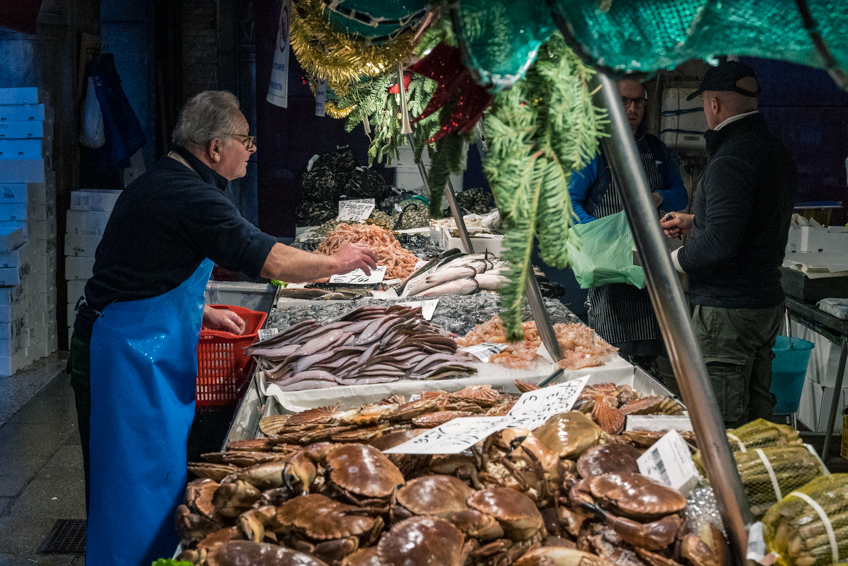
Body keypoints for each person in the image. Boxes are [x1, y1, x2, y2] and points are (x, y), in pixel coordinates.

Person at [66, 91, 378, 565]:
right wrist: (337, 262)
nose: (252, 150)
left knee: (156, 472)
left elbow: (146, 266)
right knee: (130, 481)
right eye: (245, 140)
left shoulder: (172, 181)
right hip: (122, 355)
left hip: (140, 342)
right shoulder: (189, 194)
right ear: (215, 148)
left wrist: (199, 309)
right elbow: (270, 259)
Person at [661, 61, 797, 427]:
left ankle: (728, 485)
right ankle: (762, 482)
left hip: (727, 313)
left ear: (715, 104)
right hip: (763, 303)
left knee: (722, 424)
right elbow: (754, 221)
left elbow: (718, 247)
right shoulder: (773, 150)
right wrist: (696, 223)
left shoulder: (730, 158)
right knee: (758, 417)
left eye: (705, 103)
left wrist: (671, 261)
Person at [569, 79, 688, 367]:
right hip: (609, 265)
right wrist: (597, 234)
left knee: (652, 344)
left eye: (639, 102)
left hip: (652, 262)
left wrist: (657, 198)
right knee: (611, 350)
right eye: (624, 101)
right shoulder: (592, 149)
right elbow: (569, 202)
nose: (632, 108)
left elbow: (680, 194)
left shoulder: (656, 149)